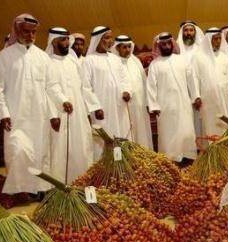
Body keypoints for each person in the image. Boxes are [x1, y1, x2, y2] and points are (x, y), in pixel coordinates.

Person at [0, 14, 54, 194]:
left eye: (33, 32)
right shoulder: (5, 56)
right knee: (18, 152)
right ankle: (20, 191)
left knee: (39, 153)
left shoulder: (43, 57)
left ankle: (41, 189)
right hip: (16, 117)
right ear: (17, 30)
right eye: (26, 31)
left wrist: (53, 114)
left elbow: (50, 88)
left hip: (39, 117)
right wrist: (3, 113)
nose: (30, 35)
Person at [45, 27, 93, 184]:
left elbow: (82, 87)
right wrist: (54, 113)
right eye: (63, 40)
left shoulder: (73, 61)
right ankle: (60, 187)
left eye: (67, 39)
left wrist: (86, 111)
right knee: (61, 151)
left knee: (82, 147)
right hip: (60, 114)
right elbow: (48, 89)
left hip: (78, 112)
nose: (67, 43)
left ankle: (81, 183)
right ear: (54, 41)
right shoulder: (48, 63)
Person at [81, 26, 132, 159]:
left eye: (111, 38)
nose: (111, 41)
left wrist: (127, 91)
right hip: (102, 109)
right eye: (107, 38)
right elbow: (85, 87)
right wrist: (95, 107)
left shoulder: (115, 59)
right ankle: (105, 169)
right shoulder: (89, 61)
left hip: (119, 107)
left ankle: (122, 164)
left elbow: (124, 79)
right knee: (105, 138)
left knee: (120, 135)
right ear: (98, 40)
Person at [147, 32, 198, 163]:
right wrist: (154, 106)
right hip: (165, 107)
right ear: (159, 46)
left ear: (172, 43)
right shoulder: (155, 64)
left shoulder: (181, 60)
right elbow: (151, 86)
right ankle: (169, 161)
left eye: (169, 43)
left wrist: (195, 96)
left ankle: (188, 157)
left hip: (183, 104)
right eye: (163, 44)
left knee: (186, 131)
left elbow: (191, 80)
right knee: (168, 134)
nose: (166, 46)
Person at [111, 35, 154, 150]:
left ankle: (143, 156)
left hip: (139, 105)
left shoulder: (135, 61)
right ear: (117, 48)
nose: (127, 50)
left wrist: (147, 103)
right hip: (124, 107)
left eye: (129, 47)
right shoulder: (113, 63)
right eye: (124, 47)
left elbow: (144, 83)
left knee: (141, 132)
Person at [191, 27, 228, 137]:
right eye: (215, 39)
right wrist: (196, 96)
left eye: (220, 39)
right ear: (208, 40)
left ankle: (227, 150)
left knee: (226, 122)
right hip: (208, 98)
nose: (218, 41)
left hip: (225, 97)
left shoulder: (224, 56)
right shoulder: (198, 57)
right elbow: (194, 77)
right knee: (210, 125)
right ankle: (212, 151)